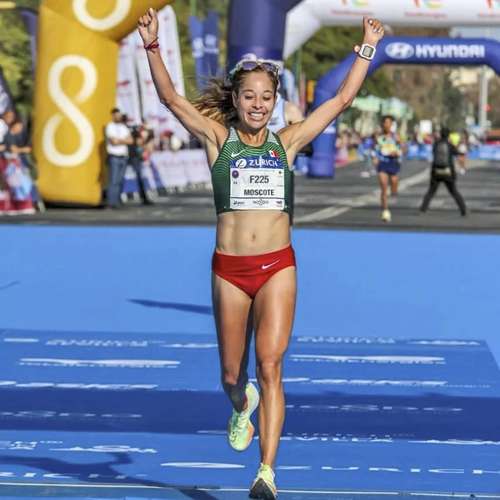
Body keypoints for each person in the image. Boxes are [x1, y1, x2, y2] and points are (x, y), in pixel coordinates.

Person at [138, 8, 384, 499]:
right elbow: (169, 98)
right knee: (233, 373)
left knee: (271, 364)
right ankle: (239, 403)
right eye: (248, 96)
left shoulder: (287, 142)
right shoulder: (217, 139)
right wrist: (152, 45)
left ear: (275, 102)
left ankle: (266, 472)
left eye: (265, 97)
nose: (257, 104)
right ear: (235, 99)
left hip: (277, 266)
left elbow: (340, 99)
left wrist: (367, 47)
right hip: (230, 271)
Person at [420, 126, 467, 216]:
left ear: (440, 134)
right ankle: (463, 210)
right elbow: (457, 154)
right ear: (448, 135)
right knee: (454, 191)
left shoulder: (436, 144)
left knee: (431, 191)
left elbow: (433, 154)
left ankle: (423, 209)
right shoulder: (450, 145)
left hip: (436, 171)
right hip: (448, 172)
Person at [373, 115, 402, 222]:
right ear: (383, 124)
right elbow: (374, 149)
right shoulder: (378, 137)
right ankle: (385, 211)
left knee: (394, 182)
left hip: (393, 162)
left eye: (389, 123)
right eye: (385, 123)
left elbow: (402, 149)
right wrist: (374, 158)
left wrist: (398, 150)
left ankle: (393, 192)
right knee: (384, 188)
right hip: (383, 163)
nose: (387, 125)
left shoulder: (396, 136)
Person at [105, 108, 133, 208]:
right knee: (113, 180)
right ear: (113, 116)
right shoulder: (110, 126)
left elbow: (130, 141)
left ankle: (117, 201)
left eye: (119, 115)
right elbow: (113, 142)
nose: (119, 117)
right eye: (117, 115)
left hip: (123, 157)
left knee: (120, 180)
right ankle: (111, 202)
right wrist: (123, 140)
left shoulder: (123, 127)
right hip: (114, 157)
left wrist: (119, 141)